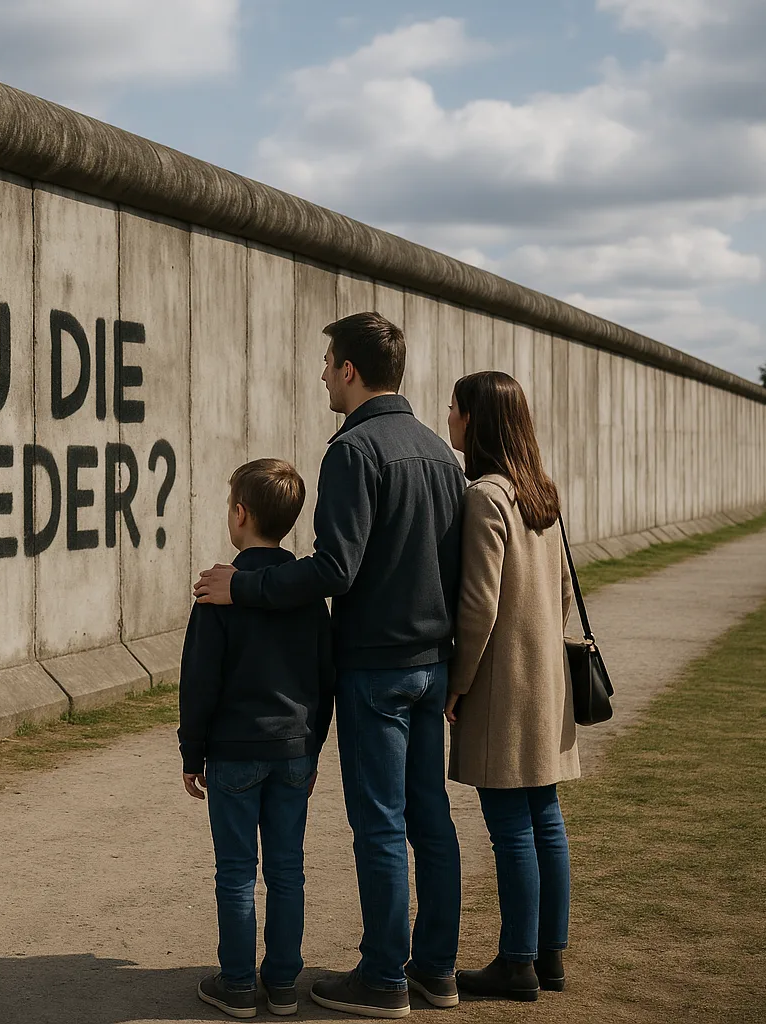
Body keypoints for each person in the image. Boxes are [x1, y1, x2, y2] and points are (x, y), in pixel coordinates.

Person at [194, 312, 466, 1019]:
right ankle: (436, 970)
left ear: (349, 369)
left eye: (326, 362)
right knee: (429, 819)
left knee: (379, 825)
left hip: (376, 668)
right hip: (431, 663)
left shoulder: (354, 451)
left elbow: (335, 569)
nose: (321, 373)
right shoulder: (440, 453)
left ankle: (383, 977)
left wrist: (242, 585)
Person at [179, 458, 335, 1019]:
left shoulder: (219, 590)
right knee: (287, 869)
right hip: (293, 750)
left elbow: (200, 680)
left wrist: (191, 752)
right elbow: (324, 677)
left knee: (237, 872)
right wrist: (312, 747)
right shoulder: (305, 593)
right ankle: (285, 984)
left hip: (235, 753)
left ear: (239, 514)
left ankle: (239, 984)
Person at [442, 371, 578, 1001]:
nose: (449, 420)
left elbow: (477, 606)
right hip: (546, 683)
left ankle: (517, 961)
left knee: (510, 825)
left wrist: (457, 684)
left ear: (479, 422)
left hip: (501, 687)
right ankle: (550, 956)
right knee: (545, 818)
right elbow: (568, 596)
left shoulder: (486, 497)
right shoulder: (541, 496)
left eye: (456, 409)